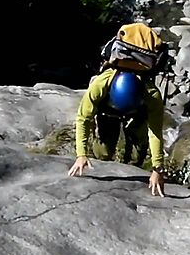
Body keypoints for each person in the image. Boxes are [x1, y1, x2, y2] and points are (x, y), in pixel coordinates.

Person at [67, 23, 169, 197]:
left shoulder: (151, 95)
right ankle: (106, 156)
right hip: (107, 112)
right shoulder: (101, 85)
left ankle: (134, 164)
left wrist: (157, 168)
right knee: (103, 153)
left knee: (138, 154)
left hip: (138, 113)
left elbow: (155, 132)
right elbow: (84, 117)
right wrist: (81, 154)